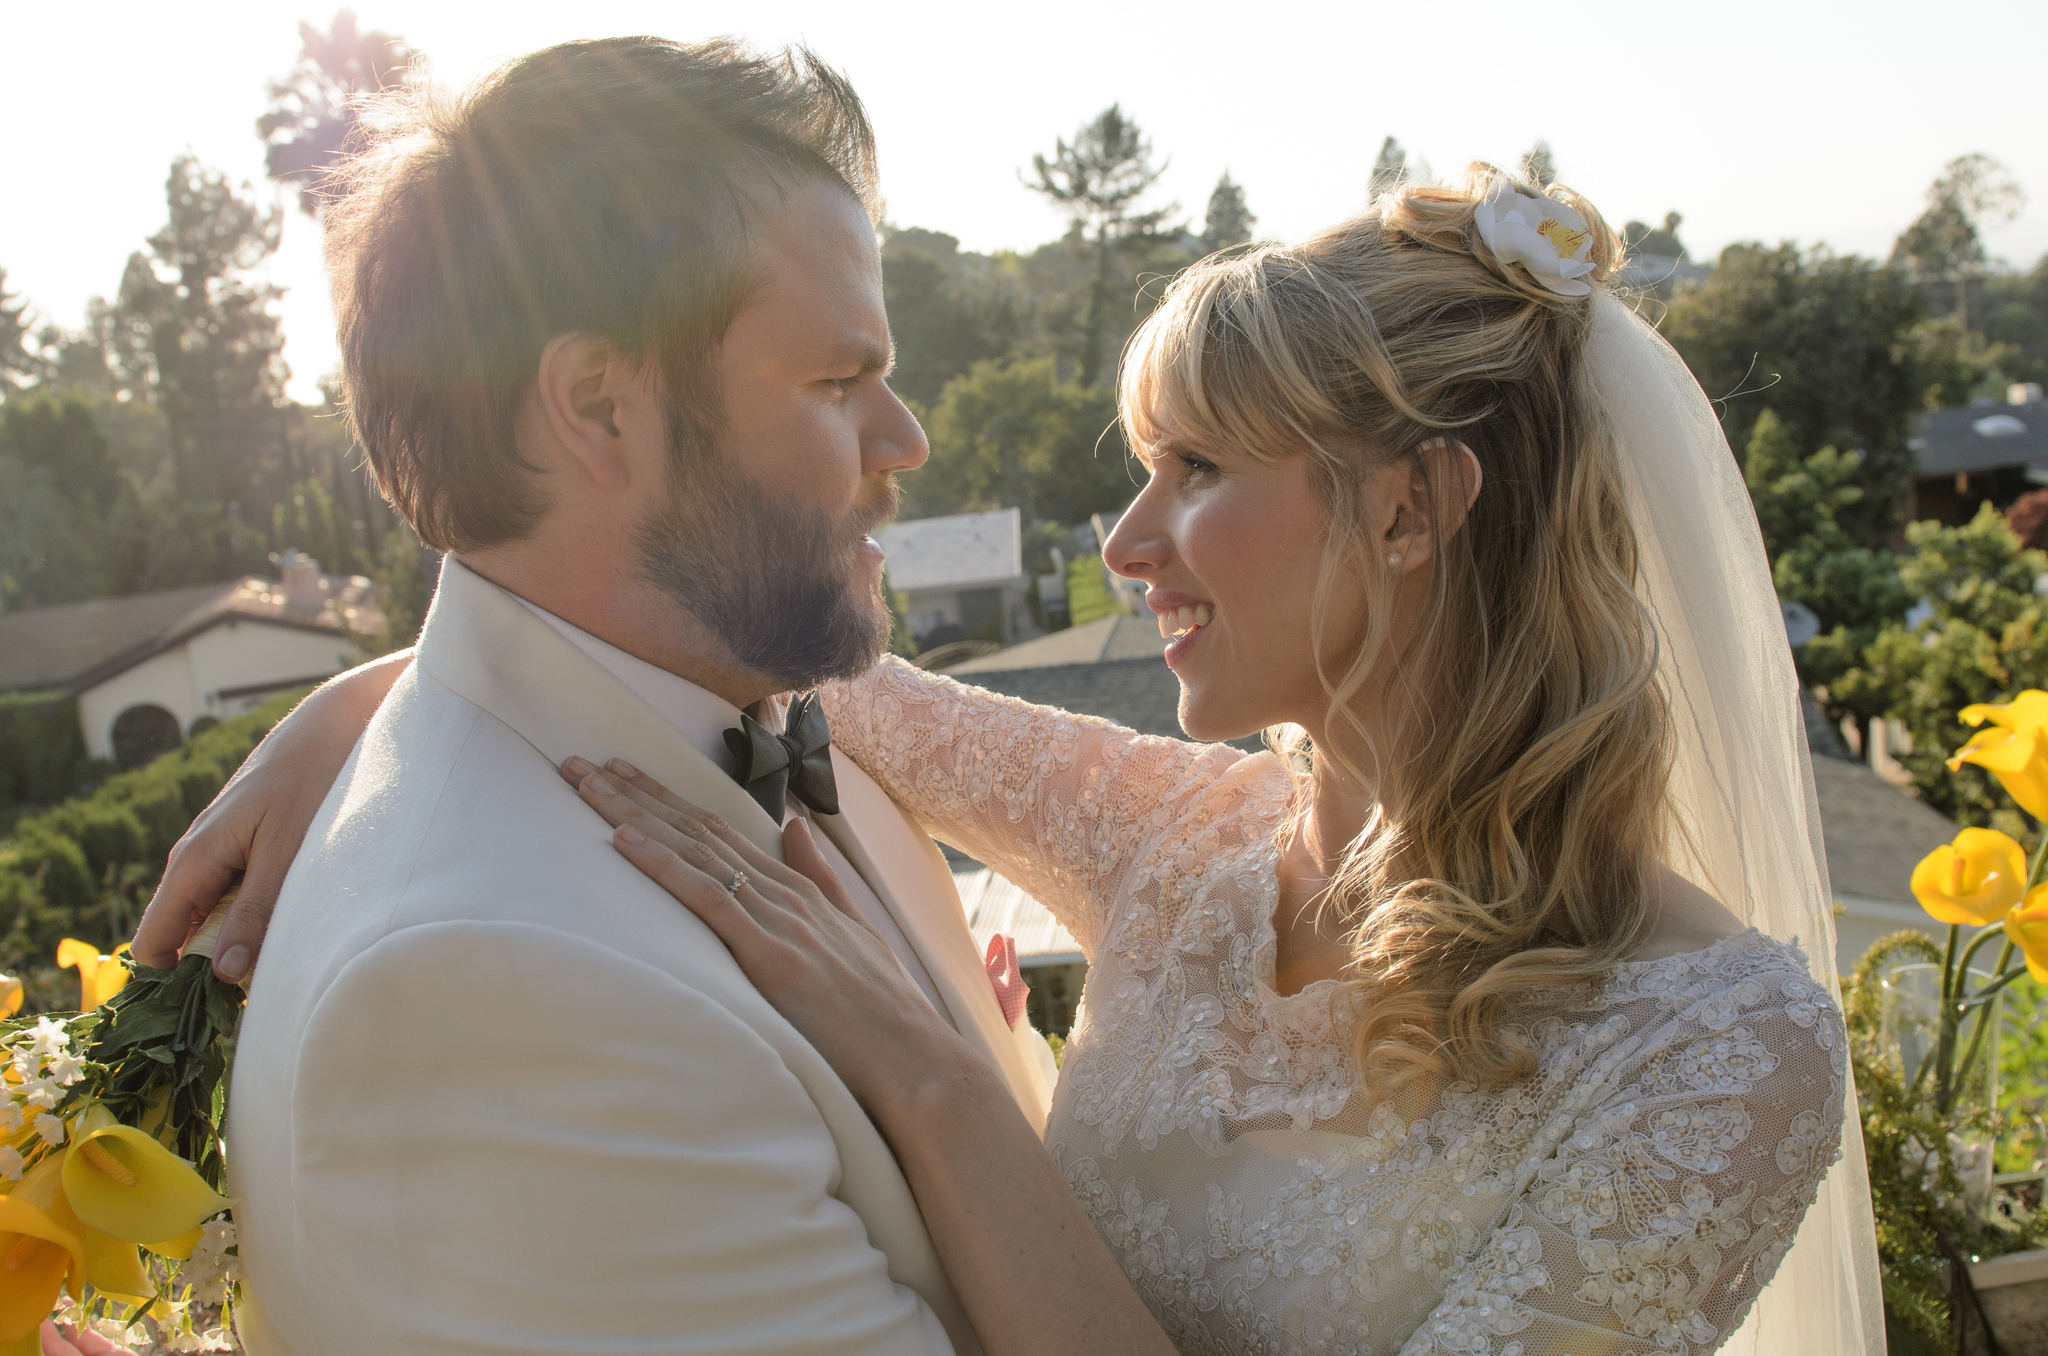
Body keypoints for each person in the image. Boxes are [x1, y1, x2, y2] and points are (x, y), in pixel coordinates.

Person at [124, 156, 1883, 1356]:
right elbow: (685, 646)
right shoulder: (1180, 839)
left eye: (1197, 470)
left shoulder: (1717, 1051)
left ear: (1413, 507)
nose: (1127, 539)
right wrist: (356, 706)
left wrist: (941, 1088)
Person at [96, 35, 1172, 1356]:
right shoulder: (501, 995)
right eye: (839, 381)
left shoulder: (760, 714)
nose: (906, 439)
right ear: (599, 405)